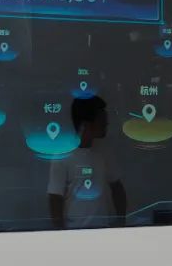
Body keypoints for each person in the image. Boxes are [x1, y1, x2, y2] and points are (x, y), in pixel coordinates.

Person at [47, 96, 127, 229]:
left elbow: (117, 187)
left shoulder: (104, 150)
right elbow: (55, 198)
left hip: (104, 230)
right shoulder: (62, 154)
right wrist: (61, 233)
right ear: (86, 125)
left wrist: (121, 222)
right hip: (74, 232)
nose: (106, 123)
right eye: (101, 119)